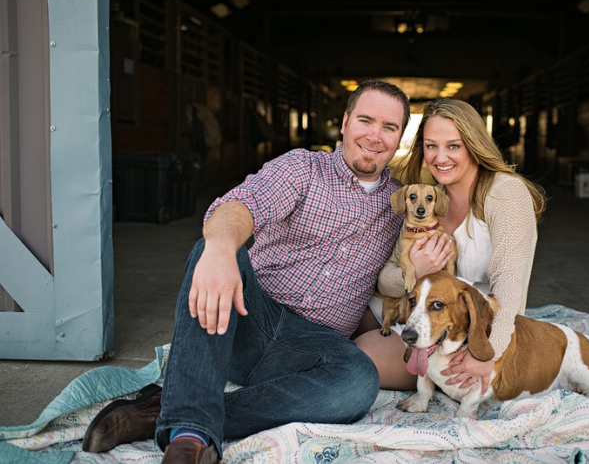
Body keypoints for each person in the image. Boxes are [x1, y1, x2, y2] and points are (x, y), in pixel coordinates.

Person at [83, 79, 410, 464]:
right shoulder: (302, 168)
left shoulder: (403, 203)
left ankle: (172, 413)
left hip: (310, 347)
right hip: (244, 319)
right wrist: (221, 248)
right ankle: (187, 439)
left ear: (401, 137)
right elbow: (240, 205)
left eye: (389, 127)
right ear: (343, 123)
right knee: (214, 248)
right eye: (365, 120)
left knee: (359, 381)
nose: (374, 136)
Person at [354, 98, 547, 392]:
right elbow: (385, 277)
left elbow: (511, 290)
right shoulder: (429, 200)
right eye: (431, 146)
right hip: (413, 307)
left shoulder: (505, 193)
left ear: (474, 144)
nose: (440, 157)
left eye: (453, 146)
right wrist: (416, 272)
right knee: (345, 313)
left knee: (362, 356)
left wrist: (488, 354)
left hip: (463, 326)